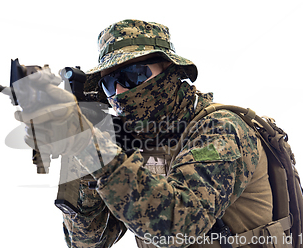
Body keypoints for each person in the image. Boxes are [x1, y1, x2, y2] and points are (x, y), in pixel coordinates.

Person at [18, 19, 273, 248]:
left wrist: (89, 143)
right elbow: (88, 244)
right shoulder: (138, 143)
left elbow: (177, 226)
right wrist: (81, 155)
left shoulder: (221, 131)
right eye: (108, 84)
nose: (118, 93)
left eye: (132, 75)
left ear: (171, 71)